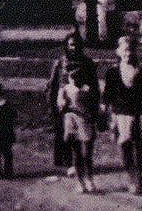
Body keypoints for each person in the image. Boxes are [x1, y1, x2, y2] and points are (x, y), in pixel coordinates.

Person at [102, 20, 142, 194]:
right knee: (124, 144)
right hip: (121, 114)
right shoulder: (113, 71)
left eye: (131, 49)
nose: (128, 53)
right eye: (124, 50)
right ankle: (131, 177)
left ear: (135, 51)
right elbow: (107, 95)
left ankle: (140, 173)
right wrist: (106, 111)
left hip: (139, 113)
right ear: (118, 52)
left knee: (140, 145)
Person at [45, 29, 99, 177]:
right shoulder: (60, 63)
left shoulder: (87, 63)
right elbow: (52, 84)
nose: (73, 48)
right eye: (70, 45)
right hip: (63, 102)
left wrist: (92, 100)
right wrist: (53, 103)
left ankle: (80, 163)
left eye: (75, 45)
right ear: (66, 46)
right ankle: (69, 164)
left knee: (82, 135)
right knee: (66, 135)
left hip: (81, 102)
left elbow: (94, 84)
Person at [57, 67, 98, 193]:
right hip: (71, 122)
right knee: (77, 154)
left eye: (78, 76)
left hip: (85, 122)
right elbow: (60, 106)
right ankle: (80, 182)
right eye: (72, 76)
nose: (75, 79)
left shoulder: (87, 89)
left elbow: (94, 106)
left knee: (87, 154)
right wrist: (62, 104)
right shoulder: (64, 90)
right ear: (68, 77)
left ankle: (89, 180)